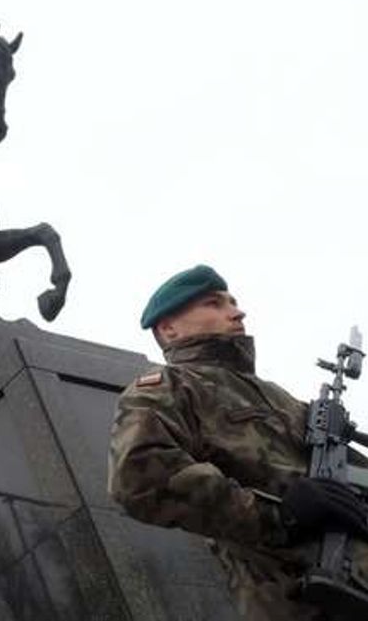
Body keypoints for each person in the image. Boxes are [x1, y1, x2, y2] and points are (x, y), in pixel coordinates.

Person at [108, 264, 368, 620]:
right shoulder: (169, 387)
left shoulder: (278, 397)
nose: (237, 312)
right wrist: (280, 515)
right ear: (169, 328)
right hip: (298, 596)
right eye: (214, 304)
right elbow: (139, 478)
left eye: (232, 301)